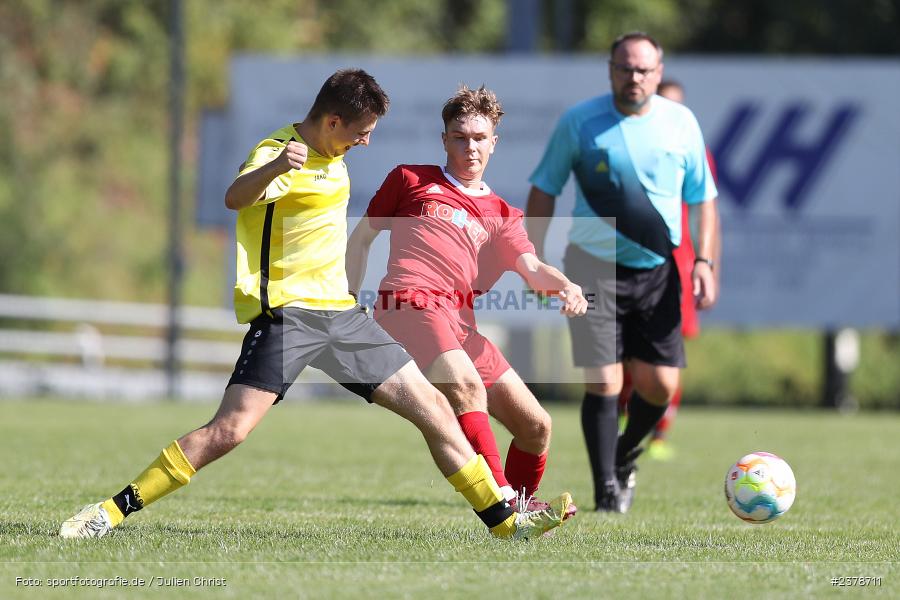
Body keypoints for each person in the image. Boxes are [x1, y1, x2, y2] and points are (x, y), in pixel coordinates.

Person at [59, 69, 571, 541]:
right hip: (290, 316)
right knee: (229, 431)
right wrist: (278, 166)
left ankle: (505, 524)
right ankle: (110, 512)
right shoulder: (279, 151)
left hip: (343, 317)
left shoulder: (337, 157)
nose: (367, 139)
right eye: (362, 129)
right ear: (332, 122)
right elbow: (235, 197)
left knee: (437, 409)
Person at [346, 85, 587, 514]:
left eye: (479, 138)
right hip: (409, 301)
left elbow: (532, 269)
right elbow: (361, 238)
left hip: (459, 321)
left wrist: (564, 285)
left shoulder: (503, 214)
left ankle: (517, 513)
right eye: (460, 137)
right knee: (466, 386)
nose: (469, 146)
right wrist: (349, 296)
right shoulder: (410, 180)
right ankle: (506, 506)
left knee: (536, 427)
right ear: (444, 140)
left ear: (494, 143)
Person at [526, 33, 719, 513]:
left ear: (658, 71)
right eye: (625, 68)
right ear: (610, 69)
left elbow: (704, 200)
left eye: (644, 70)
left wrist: (705, 262)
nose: (634, 77)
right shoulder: (579, 122)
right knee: (605, 382)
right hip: (590, 269)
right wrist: (534, 260)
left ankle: (625, 456)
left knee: (660, 386)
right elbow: (544, 187)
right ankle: (606, 489)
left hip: (658, 272)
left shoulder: (681, 123)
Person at [617, 79, 721, 461]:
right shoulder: (629, 145)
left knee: (668, 353)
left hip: (677, 264)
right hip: (630, 263)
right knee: (626, 352)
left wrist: (708, 266)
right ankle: (622, 422)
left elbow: (706, 209)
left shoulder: (692, 148)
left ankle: (659, 432)